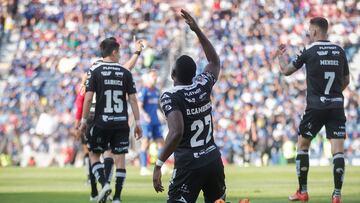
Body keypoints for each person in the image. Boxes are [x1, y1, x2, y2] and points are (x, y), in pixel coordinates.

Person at [152, 10, 226, 203]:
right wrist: (197, 31)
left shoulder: (170, 96)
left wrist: (159, 164)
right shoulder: (202, 84)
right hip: (212, 159)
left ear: (172, 74)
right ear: (194, 74)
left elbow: (176, 132)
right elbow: (214, 61)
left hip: (189, 165)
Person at [274, 17, 350, 203]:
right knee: (338, 151)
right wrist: (332, 94)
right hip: (336, 105)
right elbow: (346, 80)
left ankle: (303, 191)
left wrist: (279, 56)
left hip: (315, 106)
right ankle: (337, 195)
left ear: (315, 31)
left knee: (302, 146)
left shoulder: (309, 50)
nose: (308, 33)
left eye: (309, 30)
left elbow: (286, 71)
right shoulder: (339, 50)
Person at [75, 39, 144, 201]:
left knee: (94, 154)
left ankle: (101, 186)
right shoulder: (124, 72)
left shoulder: (95, 70)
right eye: (119, 51)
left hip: (99, 119)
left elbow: (86, 97)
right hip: (121, 121)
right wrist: (138, 123)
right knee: (117, 158)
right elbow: (133, 99)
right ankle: (117, 197)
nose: (120, 54)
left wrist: (82, 121)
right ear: (114, 52)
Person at [138, 70, 164, 176]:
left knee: (161, 143)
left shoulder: (157, 91)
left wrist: (162, 114)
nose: (155, 78)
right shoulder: (144, 91)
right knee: (145, 143)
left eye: (155, 76)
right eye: (153, 76)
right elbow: (139, 105)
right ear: (148, 78)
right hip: (146, 122)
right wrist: (145, 115)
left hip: (155, 121)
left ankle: (161, 166)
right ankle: (143, 167)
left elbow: (158, 106)